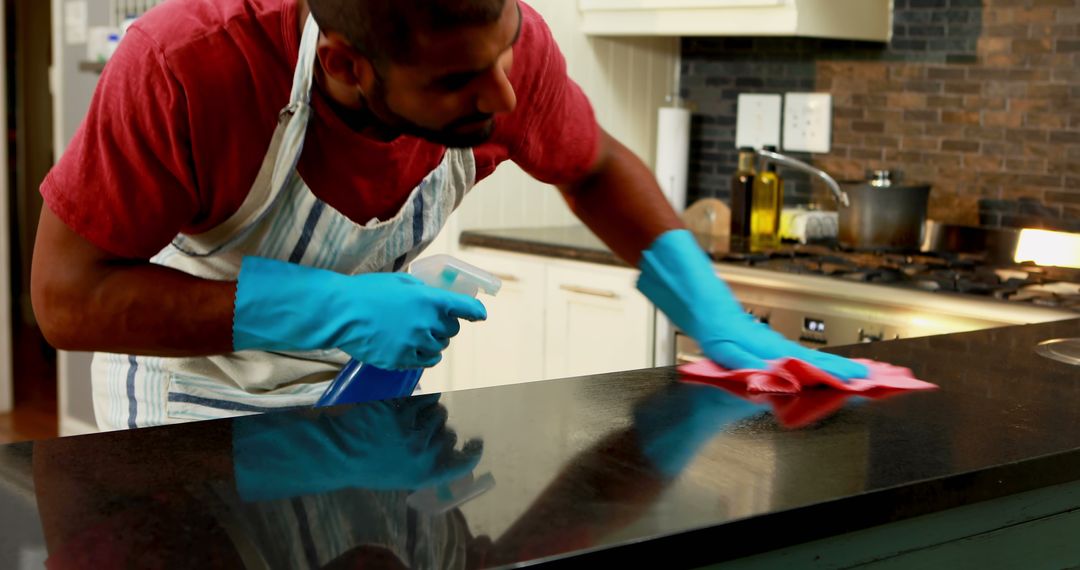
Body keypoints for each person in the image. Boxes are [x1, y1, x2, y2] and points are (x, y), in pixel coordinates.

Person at [30, 0, 868, 431]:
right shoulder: (192, 67)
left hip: (365, 402)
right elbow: (66, 300)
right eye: (458, 83)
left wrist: (709, 311)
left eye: (505, 55)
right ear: (347, 65)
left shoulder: (492, 48)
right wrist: (331, 308)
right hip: (192, 404)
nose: (502, 96)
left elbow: (595, 165)